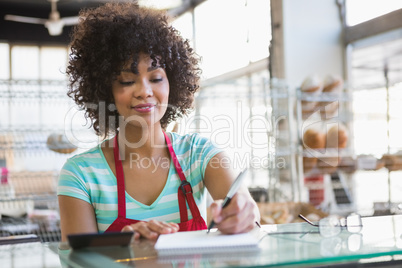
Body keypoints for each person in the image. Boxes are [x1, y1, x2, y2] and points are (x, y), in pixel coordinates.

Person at [58, 2, 260, 242]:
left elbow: (250, 219)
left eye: (156, 78)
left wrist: (246, 214)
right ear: (105, 90)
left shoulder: (201, 155)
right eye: (126, 81)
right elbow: (75, 260)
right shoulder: (81, 174)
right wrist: (119, 244)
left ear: (172, 83)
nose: (144, 91)